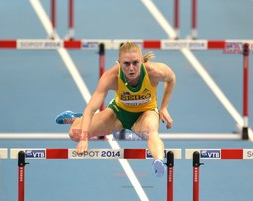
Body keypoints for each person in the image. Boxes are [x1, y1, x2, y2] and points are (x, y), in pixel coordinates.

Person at [56, 41, 176, 177]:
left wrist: (164, 107)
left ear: (142, 61)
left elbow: (171, 79)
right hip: (118, 114)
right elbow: (90, 108)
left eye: (135, 63)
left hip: (145, 113)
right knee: (74, 134)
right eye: (126, 64)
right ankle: (77, 119)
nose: (131, 68)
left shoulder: (155, 72)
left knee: (151, 131)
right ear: (119, 62)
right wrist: (84, 139)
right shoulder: (111, 77)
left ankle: (158, 162)